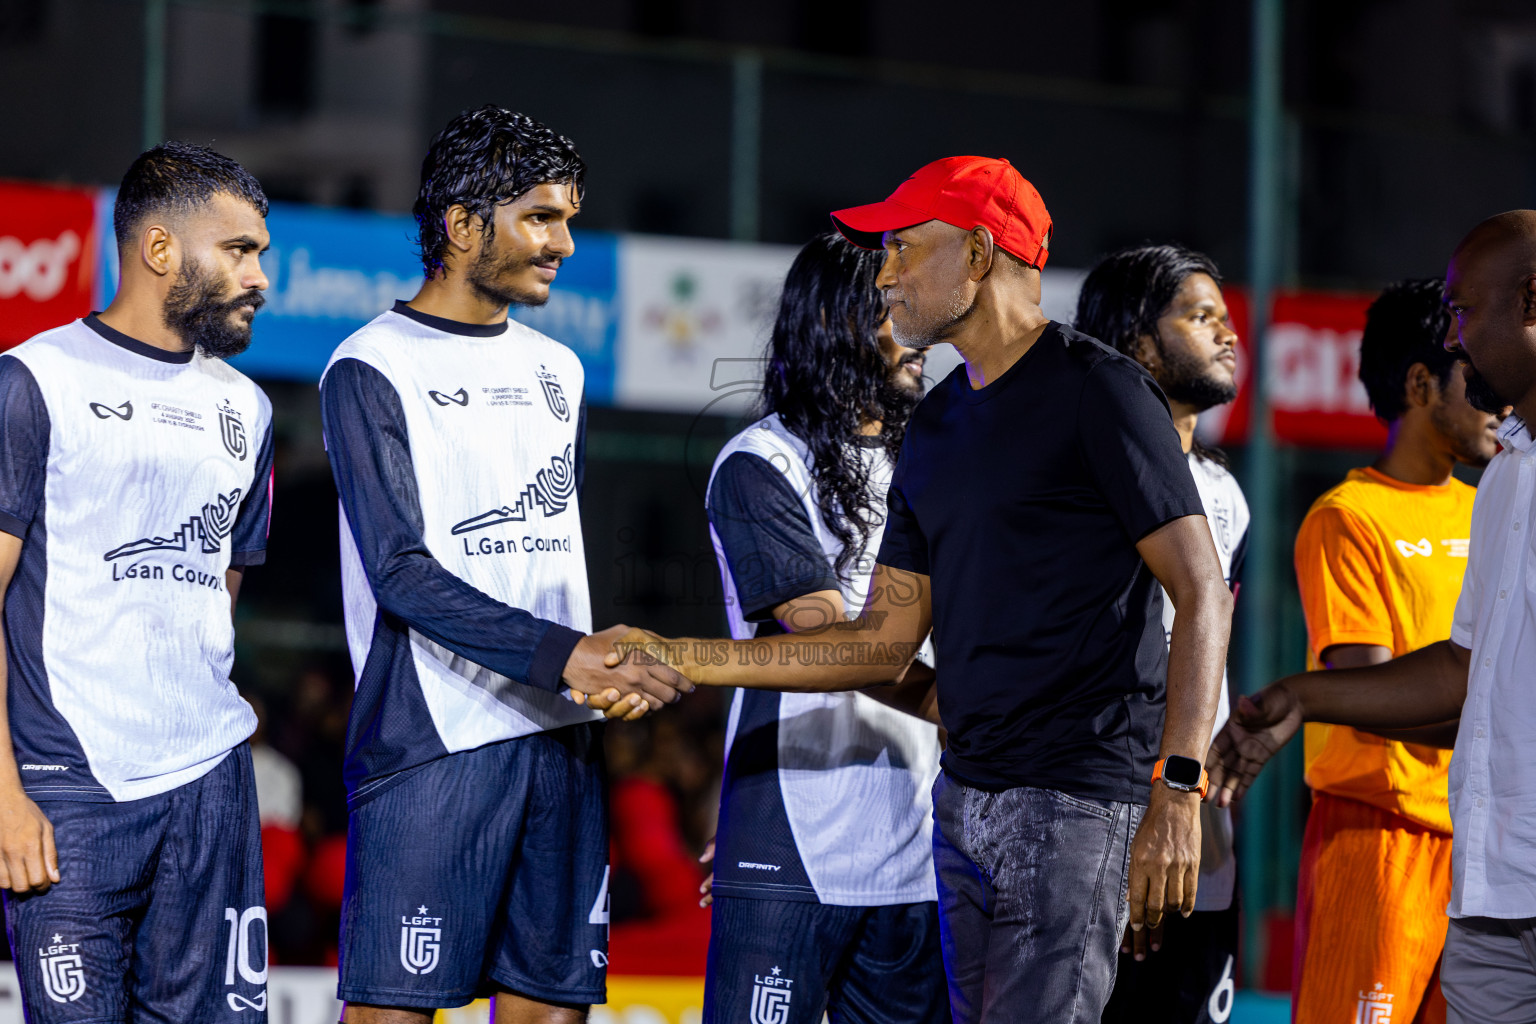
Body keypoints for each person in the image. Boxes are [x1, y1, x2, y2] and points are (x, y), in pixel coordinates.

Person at [603, 156, 1233, 1023]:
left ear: (976, 256)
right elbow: (876, 645)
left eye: (904, 248)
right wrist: (673, 653)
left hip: (1073, 804)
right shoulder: (935, 427)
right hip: (953, 809)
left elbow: (1204, 592)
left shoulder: (1101, 389)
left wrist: (1177, 789)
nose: (889, 273)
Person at [319, 106, 690, 1024]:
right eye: (541, 217)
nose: (564, 242)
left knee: (549, 1011)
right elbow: (401, 571)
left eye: (568, 217)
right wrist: (567, 654)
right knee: (392, 1015)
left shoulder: (560, 371)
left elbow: (547, 557)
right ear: (459, 225)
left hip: (561, 742)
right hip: (432, 742)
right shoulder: (369, 366)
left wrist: (600, 666)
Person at [1207, 211, 1536, 1024]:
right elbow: (1459, 673)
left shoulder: (1486, 486)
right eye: (1450, 325)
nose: (1459, 341)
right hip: (1403, 844)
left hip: (1466, 843)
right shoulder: (1374, 510)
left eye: (1466, 314)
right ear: (1417, 386)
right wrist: (1304, 695)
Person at [0, 143, 276, 1018]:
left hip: (210, 788)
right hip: (68, 791)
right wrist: (2, 792)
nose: (259, 275)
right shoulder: (34, 382)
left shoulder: (248, 408)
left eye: (259, 253)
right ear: (160, 250)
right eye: (238, 250)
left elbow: (222, 585)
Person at [700, 231, 946, 1024]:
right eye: (891, 304)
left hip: (921, 852)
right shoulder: (761, 464)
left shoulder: (935, 468)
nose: (914, 326)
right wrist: (980, 710)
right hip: (791, 842)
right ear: (840, 323)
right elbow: (841, 648)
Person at [1075, 244, 1248, 1024]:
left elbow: (1205, 652)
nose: (1227, 334)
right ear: (1138, 342)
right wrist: (1138, 825)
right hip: (1098, 829)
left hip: (1199, 840)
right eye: (1200, 316)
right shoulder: (1077, 477)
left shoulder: (1223, 491)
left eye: (1224, 316)